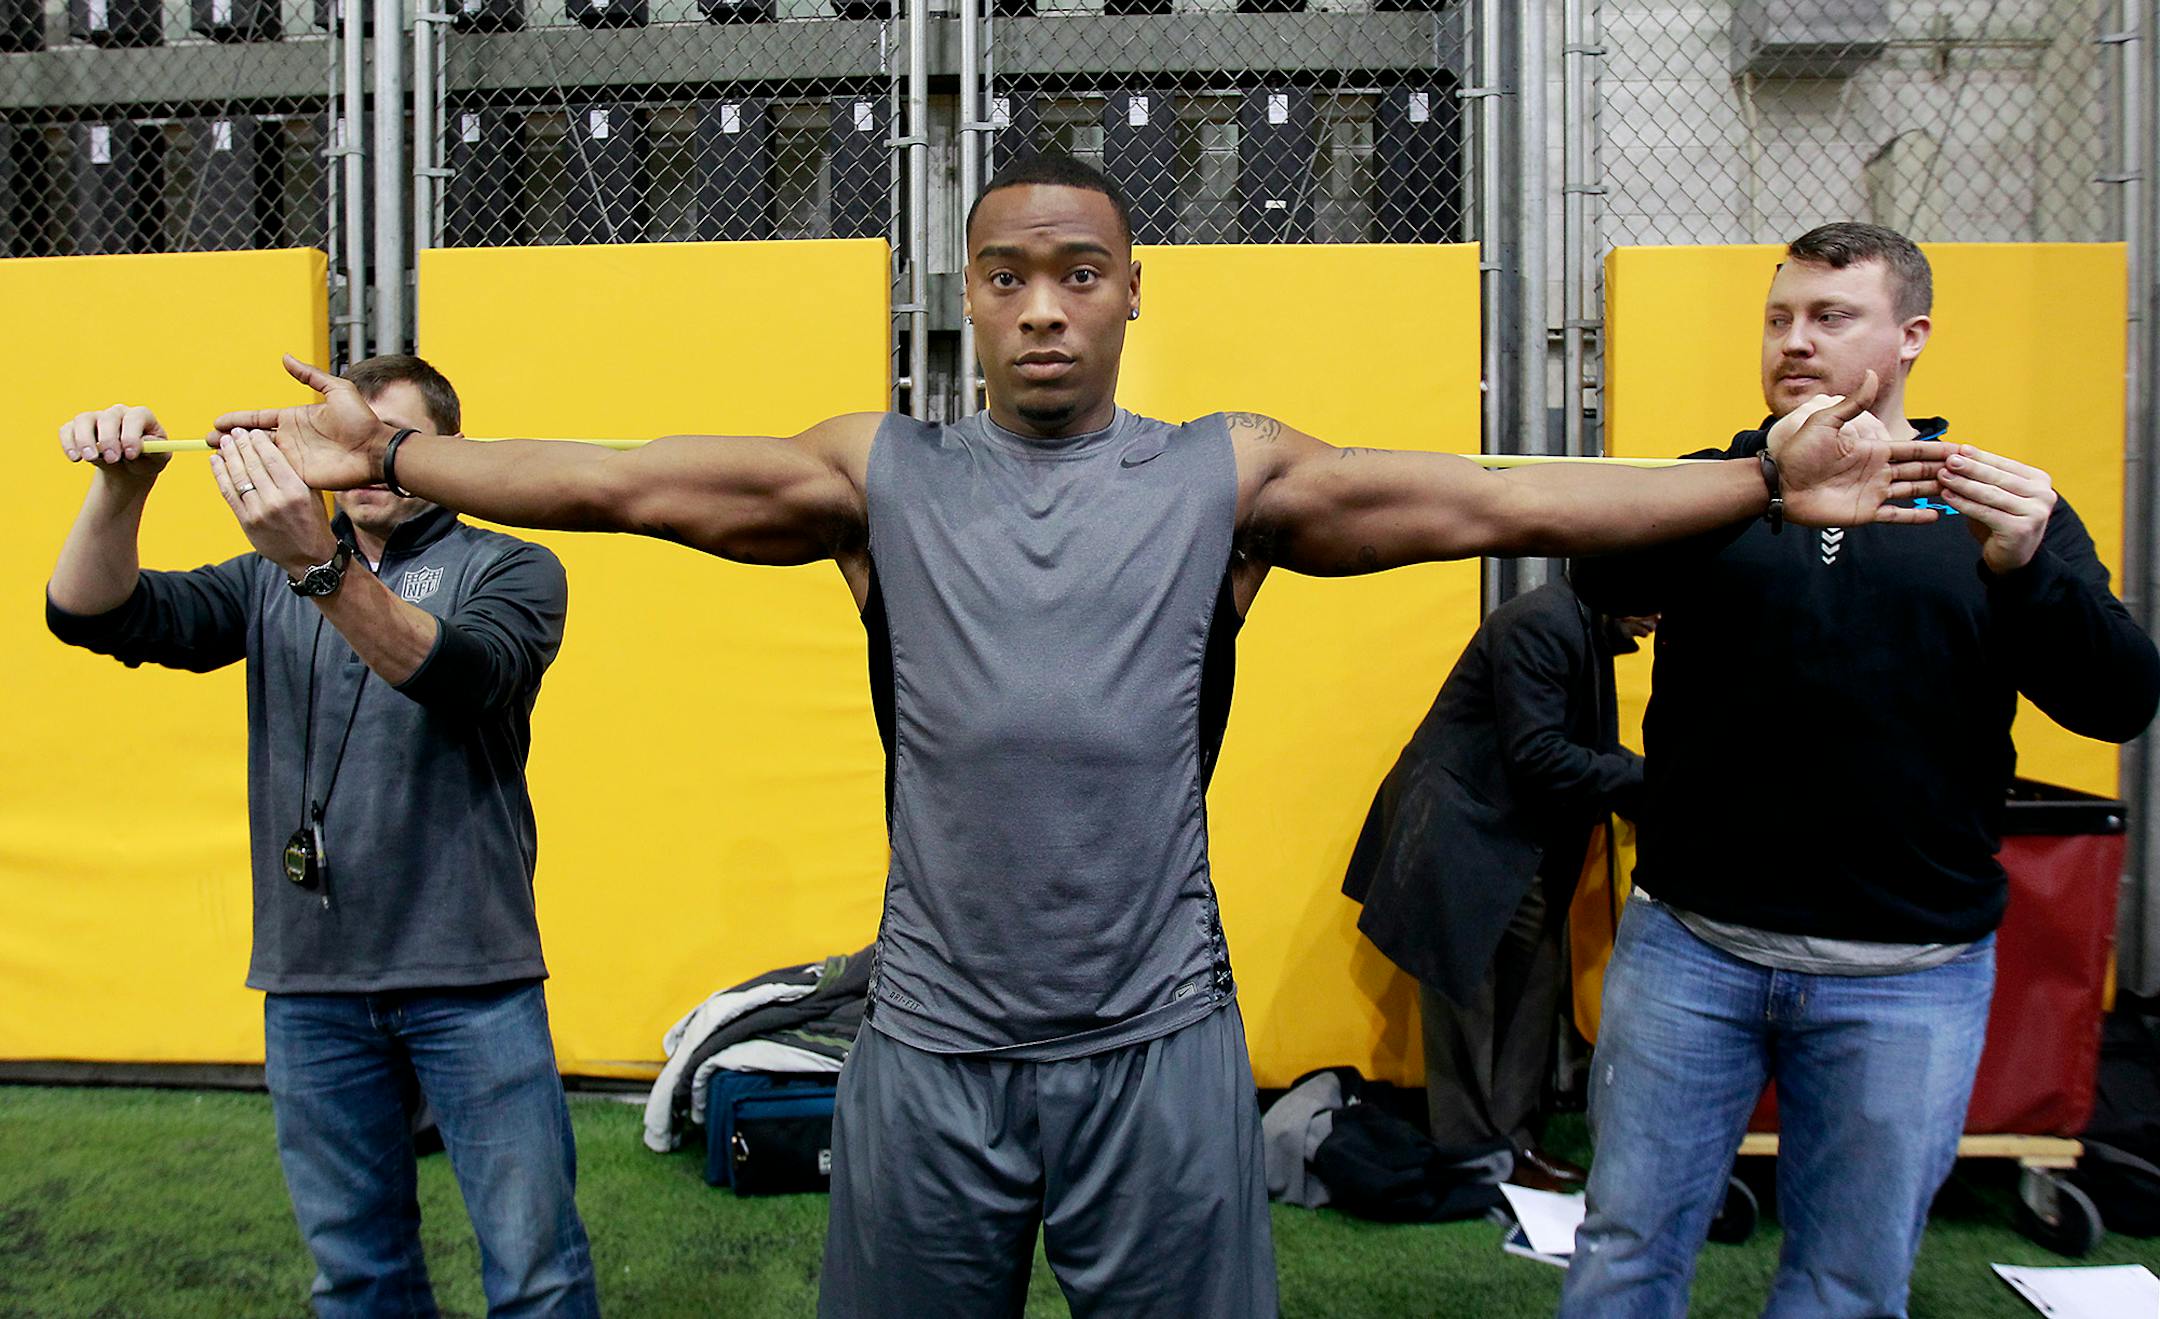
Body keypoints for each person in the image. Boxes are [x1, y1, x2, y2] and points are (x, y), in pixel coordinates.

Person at [208, 153, 1947, 1317]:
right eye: (1009, 276)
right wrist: (401, 458)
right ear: (965, 298)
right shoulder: (877, 472)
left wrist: (1757, 477)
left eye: (1080, 273)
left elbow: (1492, 496)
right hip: (932, 1042)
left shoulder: (1227, 474)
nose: (1044, 305)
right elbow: (626, 479)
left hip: (1159, 1035)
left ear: (1130, 296)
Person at [1560, 222, 2160, 1317]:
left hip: (1909, 971)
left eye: (1831, 316)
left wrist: (2027, 572)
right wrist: (1758, 484)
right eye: (1779, 317)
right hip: (1693, 946)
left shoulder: (1993, 505)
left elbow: (2119, 697)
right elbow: (1597, 571)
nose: (1795, 340)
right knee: (1626, 1251)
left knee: (1848, 1283)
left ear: (1912, 335)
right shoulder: (1714, 489)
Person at [50, 356, 599, 1318]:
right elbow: (92, 615)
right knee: (356, 1276)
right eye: (344, 438)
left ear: (449, 453)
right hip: (310, 985)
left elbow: (468, 677)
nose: (359, 461)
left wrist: (319, 566)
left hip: (473, 975)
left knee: (537, 1274)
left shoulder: (510, 566)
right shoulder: (271, 579)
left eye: (388, 441)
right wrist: (120, 491)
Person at [1343, 578, 1654, 1190]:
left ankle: (1511, 1146)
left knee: (1530, 990)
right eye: (1656, 598)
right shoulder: (1543, 623)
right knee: (1465, 1007)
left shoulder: (1577, 625)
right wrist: (1650, 782)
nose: (1659, 618)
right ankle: (1471, 1158)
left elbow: (1574, 749)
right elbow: (1538, 755)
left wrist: (1652, 779)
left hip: (1506, 839)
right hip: (1461, 836)